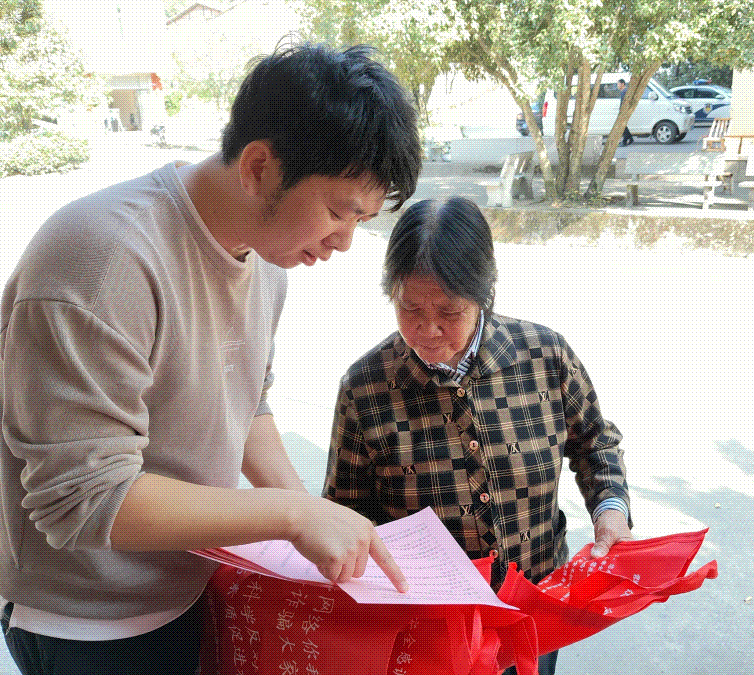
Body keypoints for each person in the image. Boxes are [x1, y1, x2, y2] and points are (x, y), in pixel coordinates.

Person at [0, 41, 421, 675]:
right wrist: (289, 514)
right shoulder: (103, 259)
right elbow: (85, 497)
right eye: (338, 212)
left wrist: (310, 518)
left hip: (192, 588)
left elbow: (245, 401)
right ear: (259, 167)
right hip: (86, 623)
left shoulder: (268, 257)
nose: (343, 242)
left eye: (361, 220)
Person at [324, 197, 633, 675]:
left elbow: (595, 441)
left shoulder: (544, 356)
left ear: (484, 294)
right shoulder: (366, 388)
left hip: (534, 605)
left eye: (450, 311)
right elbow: (345, 512)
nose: (428, 330)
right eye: (409, 308)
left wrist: (610, 510)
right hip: (428, 626)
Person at [617, 78, 634, 146]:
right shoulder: (624, 91)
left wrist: (622, 111)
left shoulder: (624, 92)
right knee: (623, 125)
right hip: (623, 111)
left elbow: (624, 103)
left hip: (624, 111)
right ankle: (630, 138)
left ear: (622, 84)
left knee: (622, 125)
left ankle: (625, 140)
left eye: (618, 84)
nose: (617, 86)